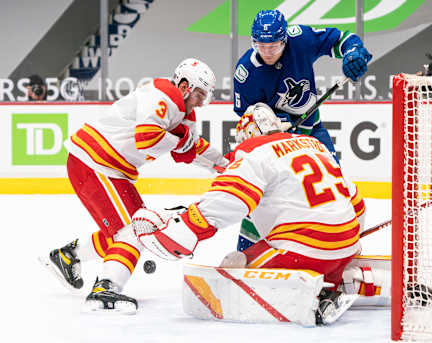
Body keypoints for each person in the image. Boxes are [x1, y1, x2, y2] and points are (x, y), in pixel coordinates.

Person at [132, 102, 366, 324]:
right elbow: (357, 204)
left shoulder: (254, 150)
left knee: (233, 264)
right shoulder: (316, 145)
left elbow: (230, 198)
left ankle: (308, 298)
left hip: (303, 251)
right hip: (346, 247)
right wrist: (346, 244)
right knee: (315, 252)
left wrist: (189, 227)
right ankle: (336, 282)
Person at [39, 58, 228, 313]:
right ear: (184, 86)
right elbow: (147, 138)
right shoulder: (163, 96)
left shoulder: (184, 112)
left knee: (133, 229)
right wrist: (179, 143)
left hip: (108, 168)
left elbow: (191, 148)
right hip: (95, 162)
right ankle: (105, 289)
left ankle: (68, 257)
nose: (200, 102)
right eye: (198, 94)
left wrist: (223, 164)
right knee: (132, 231)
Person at [233, 9, 372, 163]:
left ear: (284, 40)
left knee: (334, 177)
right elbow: (246, 115)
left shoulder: (300, 40)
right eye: (261, 45)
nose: (267, 53)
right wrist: (277, 123)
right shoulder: (246, 73)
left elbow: (342, 39)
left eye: (273, 46)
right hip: (275, 144)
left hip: (312, 129)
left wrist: (353, 53)